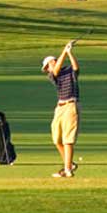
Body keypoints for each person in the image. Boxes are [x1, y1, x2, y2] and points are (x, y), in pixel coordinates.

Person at [41, 40, 80, 178]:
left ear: (54, 61)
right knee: (56, 139)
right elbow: (56, 70)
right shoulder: (52, 75)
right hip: (59, 108)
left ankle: (67, 169)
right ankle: (69, 164)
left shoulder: (69, 71)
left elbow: (76, 67)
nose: (47, 69)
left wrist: (69, 52)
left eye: (47, 66)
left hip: (70, 105)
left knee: (67, 139)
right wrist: (64, 50)